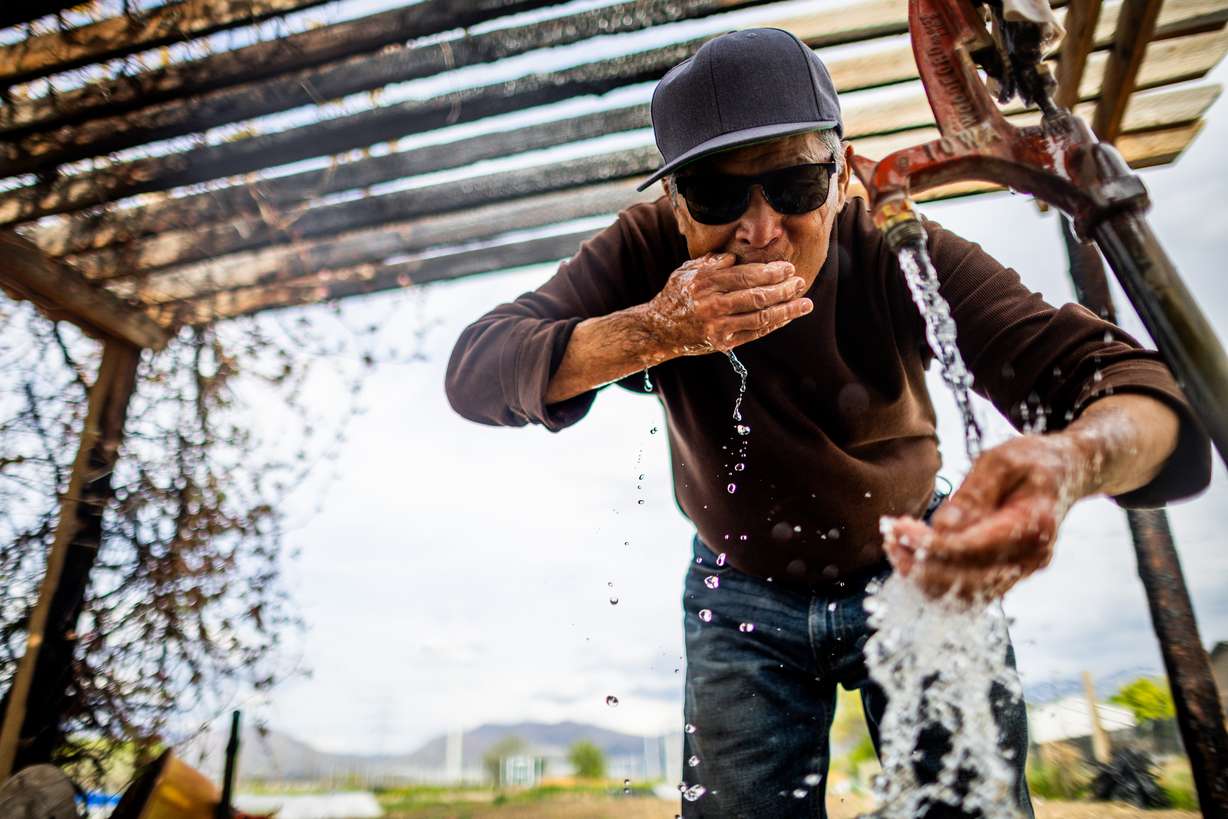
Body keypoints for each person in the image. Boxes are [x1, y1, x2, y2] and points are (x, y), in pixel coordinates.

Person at [444, 28, 1210, 818]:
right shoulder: (644, 254)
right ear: (673, 206)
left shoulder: (895, 243)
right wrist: (655, 330)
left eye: (796, 183)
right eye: (714, 195)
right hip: (737, 586)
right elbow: (475, 370)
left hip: (914, 563)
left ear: (843, 173)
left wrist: (1068, 464)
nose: (760, 228)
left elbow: (1128, 384)